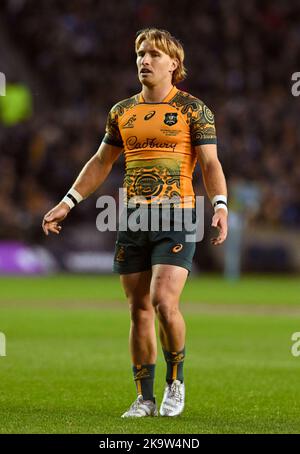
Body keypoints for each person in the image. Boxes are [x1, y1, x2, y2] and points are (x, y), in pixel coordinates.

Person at [42, 28, 228, 418]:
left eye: (154, 55)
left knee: (163, 301)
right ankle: (144, 398)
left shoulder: (194, 110)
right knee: (138, 309)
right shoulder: (121, 111)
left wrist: (221, 205)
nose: (145, 60)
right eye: (141, 53)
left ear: (173, 64)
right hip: (133, 216)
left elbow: (210, 163)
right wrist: (67, 202)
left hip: (177, 215)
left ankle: (175, 382)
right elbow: (100, 163)